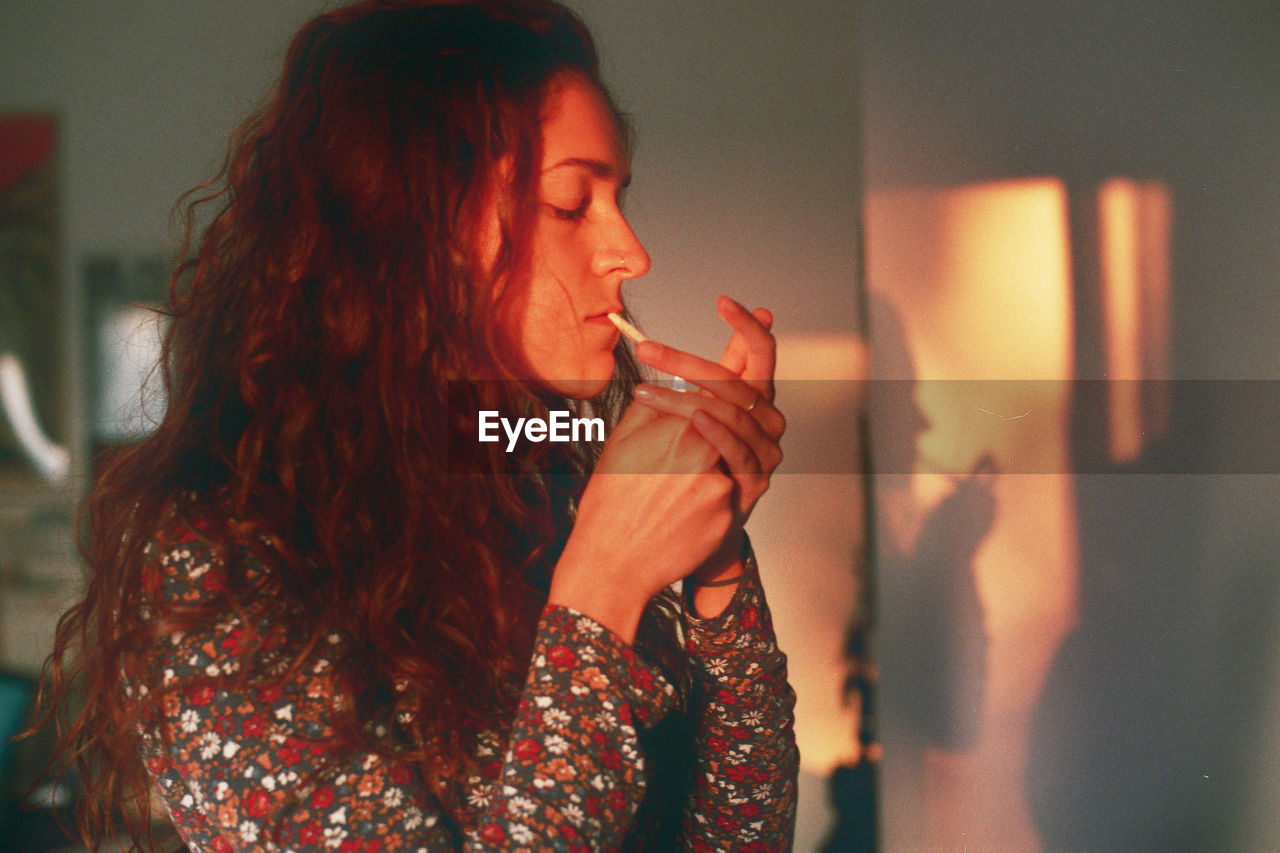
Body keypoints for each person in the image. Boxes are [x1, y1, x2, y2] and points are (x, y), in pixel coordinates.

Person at [41, 1, 798, 851]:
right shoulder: (223, 551)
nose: (632, 250)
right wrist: (603, 590)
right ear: (416, 229)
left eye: (618, 196)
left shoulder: (538, 473)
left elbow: (744, 836)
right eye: (569, 202)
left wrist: (716, 551)